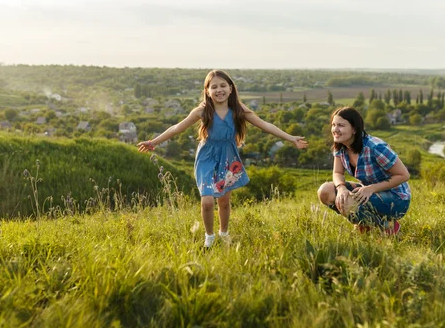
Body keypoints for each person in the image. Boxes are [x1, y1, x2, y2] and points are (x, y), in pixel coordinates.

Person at [138, 69, 308, 248]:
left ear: (231, 88)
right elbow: (176, 128)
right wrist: (153, 142)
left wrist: (290, 138)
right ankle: (209, 237)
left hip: (228, 157)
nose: (219, 90)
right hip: (207, 157)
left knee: (224, 202)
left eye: (223, 86)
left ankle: (224, 233)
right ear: (207, 91)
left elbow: (265, 126)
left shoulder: (238, 110)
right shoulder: (202, 111)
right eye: (214, 87)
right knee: (208, 200)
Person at [317, 106, 411, 235]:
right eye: (333, 125)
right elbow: (337, 173)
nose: (335, 129)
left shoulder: (375, 147)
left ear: (354, 129)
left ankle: (388, 226)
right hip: (367, 193)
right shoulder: (341, 146)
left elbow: (404, 175)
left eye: (341, 125)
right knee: (325, 192)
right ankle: (365, 223)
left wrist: (370, 188)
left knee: (349, 202)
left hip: (396, 199)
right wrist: (341, 188)